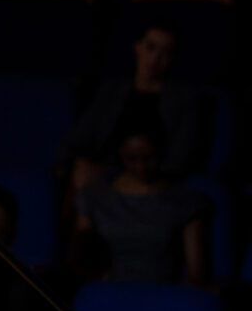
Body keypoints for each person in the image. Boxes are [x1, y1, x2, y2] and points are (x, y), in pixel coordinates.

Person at [62, 20, 208, 190]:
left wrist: (139, 176)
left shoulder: (184, 100)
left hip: (152, 178)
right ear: (138, 47)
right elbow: (81, 136)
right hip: (105, 173)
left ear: (173, 58)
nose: (155, 59)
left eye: (166, 52)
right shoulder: (112, 92)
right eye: (151, 48)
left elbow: (181, 157)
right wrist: (72, 162)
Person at [73, 117, 209, 285]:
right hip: (108, 291)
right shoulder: (93, 198)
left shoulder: (185, 202)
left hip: (162, 293)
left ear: (161, 151)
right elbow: (83, 262)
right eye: (132, 158)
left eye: (149, 157)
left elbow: (196, 275)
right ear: (120, 153)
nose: (141, 167)